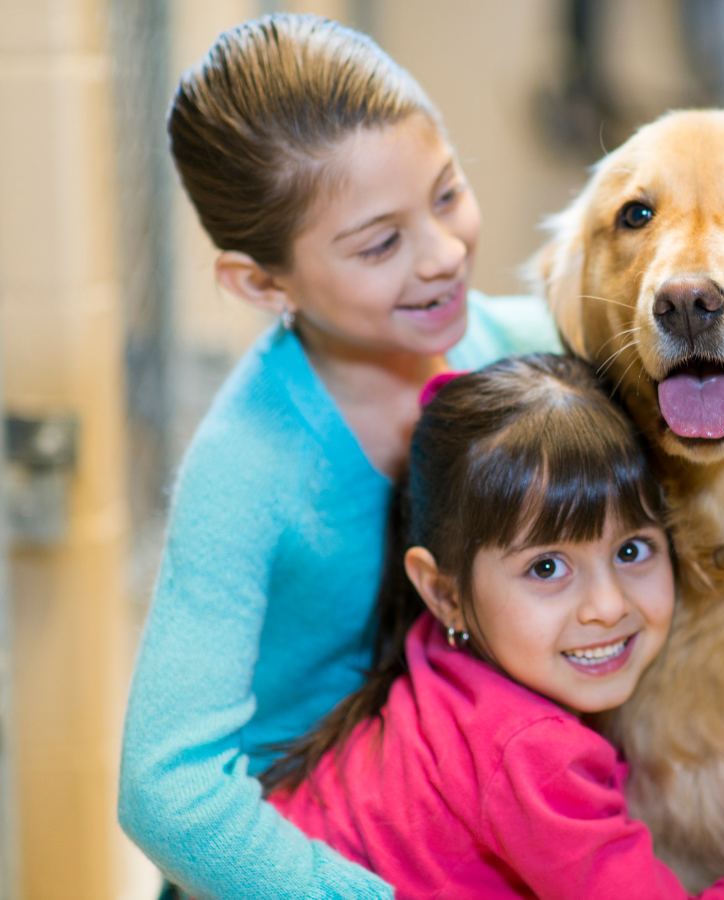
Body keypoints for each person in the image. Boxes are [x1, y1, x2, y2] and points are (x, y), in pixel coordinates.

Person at [116, 14, 561, 898]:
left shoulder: (518, 350)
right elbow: (165, 793)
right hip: (313, 863)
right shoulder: (247, 468)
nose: (443, 256)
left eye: (446, 193)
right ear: (259, 283)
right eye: (379, 243)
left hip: (451, 830)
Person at [263, 353, 724, 898]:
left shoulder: (450, 665)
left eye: (632, 550)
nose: (607, 605)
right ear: (443, 592)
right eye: (547, 567)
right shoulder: (531, 754)